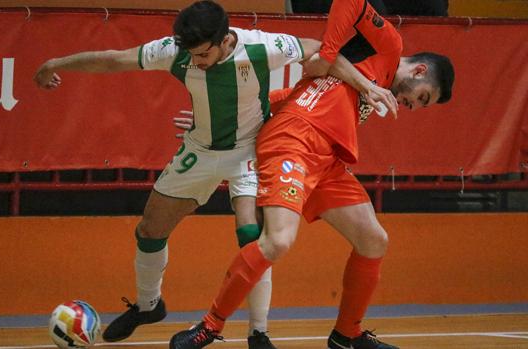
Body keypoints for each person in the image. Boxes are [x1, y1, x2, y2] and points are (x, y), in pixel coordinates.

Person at [33, 1, 391, 348]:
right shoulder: (176, 51)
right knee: (149, 229)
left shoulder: (262, 46)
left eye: (204, 55)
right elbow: (114, 59)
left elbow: (321, 52)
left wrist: (367, 85)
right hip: (199, 151)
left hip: (251, 149)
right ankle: (148, 306)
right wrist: (54, 63)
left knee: (255, 235)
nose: (198, 63)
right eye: (193, 56)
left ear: (226, 41)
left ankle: (258, 333)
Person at [168, 0, 455, 348]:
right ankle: (210, 326)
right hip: (294, 141)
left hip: (325, 160)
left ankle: (347, 334)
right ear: (420, 70)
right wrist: (329, 52)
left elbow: (292, 95)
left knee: (374, 240)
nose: (413, 106)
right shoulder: (390, 47)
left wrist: (223, 116)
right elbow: (349, 2)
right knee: (278, 241)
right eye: (422, 98)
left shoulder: (361, 79)